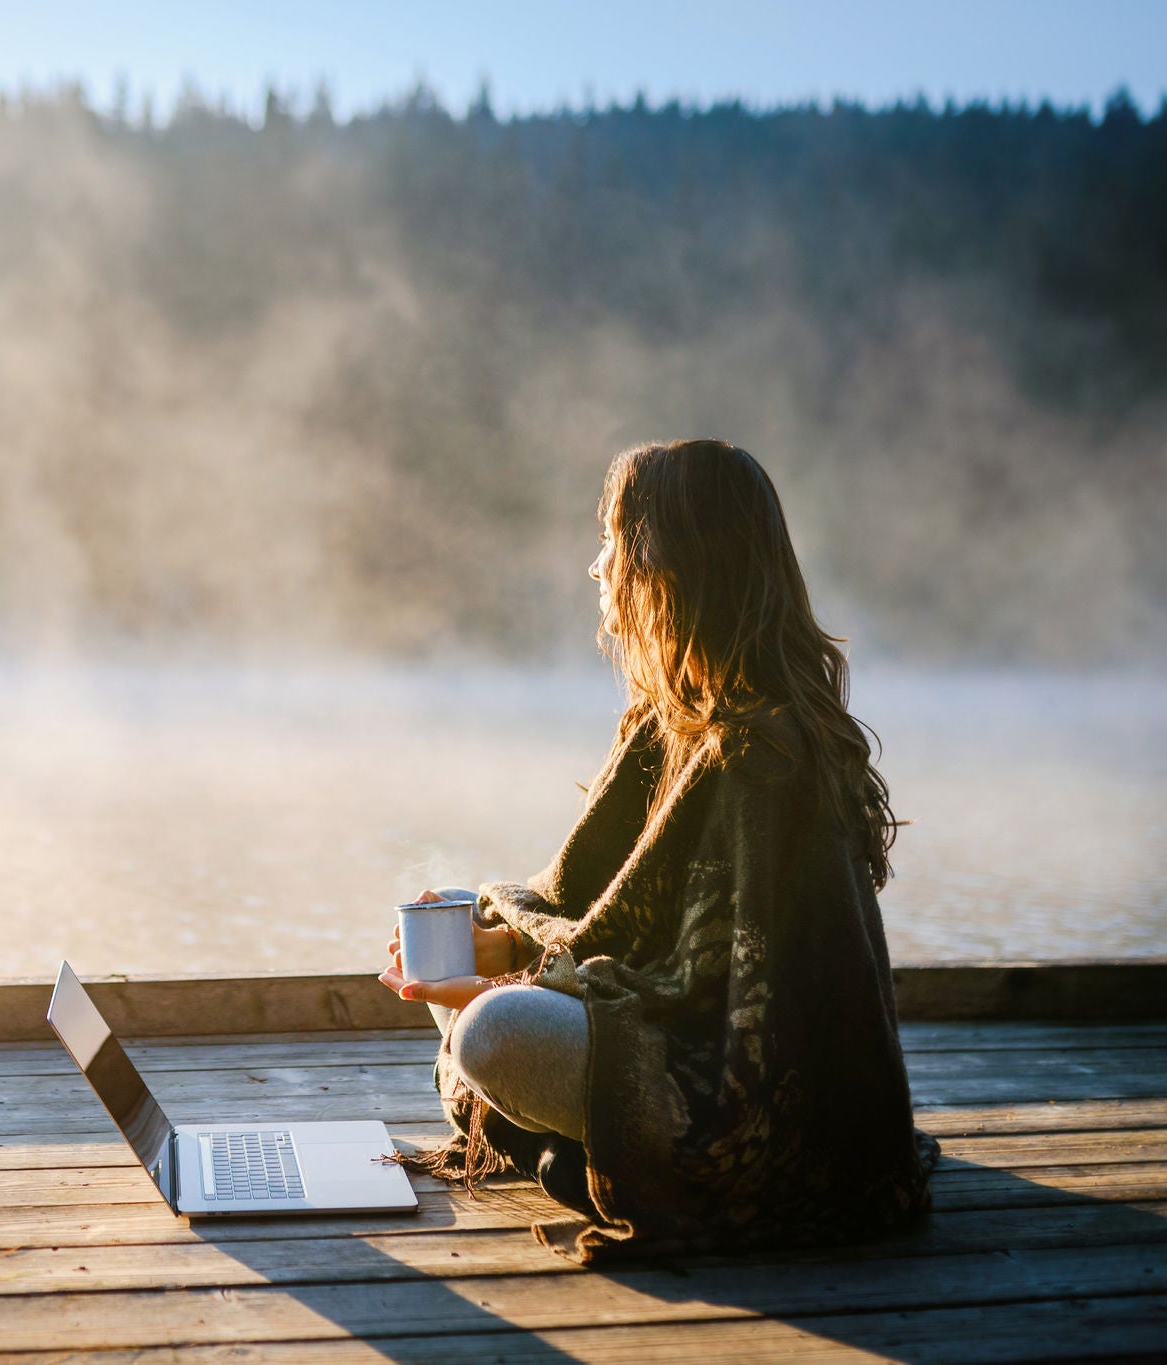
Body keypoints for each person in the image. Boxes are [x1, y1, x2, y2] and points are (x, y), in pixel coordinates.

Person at [378, 438, 936, 1262]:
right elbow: (597, 917)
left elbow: (722, 996)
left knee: (494, 1033)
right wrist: (497, 948)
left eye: (612, 540)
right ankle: (570, 1149)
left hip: (742, 1097)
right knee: (454, 929)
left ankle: (574, 1152)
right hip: (649, 1009)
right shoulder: (663, 721)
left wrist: (502, 985)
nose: (597, 567)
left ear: (668, 566)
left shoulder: (762, 755)